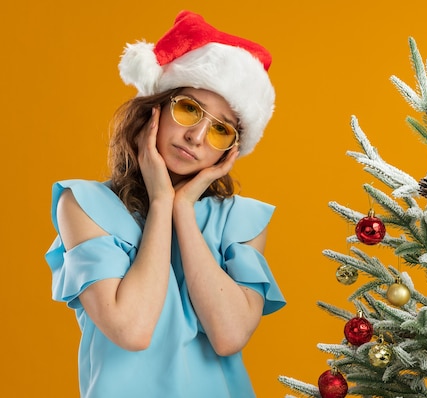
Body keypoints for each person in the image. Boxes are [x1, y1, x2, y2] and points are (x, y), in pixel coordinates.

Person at [44, 10, 285, 397]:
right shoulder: (84, 204)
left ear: (230, 151)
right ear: (154, 108)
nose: (197, 137)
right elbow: (132, 329)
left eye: (220, 129)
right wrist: (160, 202)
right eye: (189, 109)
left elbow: (229, 337)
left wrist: (183, 210)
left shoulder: (241, 220)